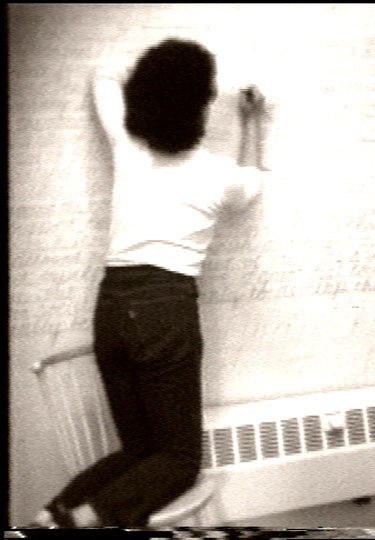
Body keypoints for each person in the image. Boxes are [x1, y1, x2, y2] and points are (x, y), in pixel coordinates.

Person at [32, 38, 270, 528]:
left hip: (112, 307)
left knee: (139, 449)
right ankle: (75, 524)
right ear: (200, 109)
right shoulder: (217, 174)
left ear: (145, 94)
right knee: (179, 461)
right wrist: (251, 120)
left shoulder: (126, 140)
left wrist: (156, 74)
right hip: (165, 308)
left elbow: (103, 75)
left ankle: (47, 516)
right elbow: (252, 185)